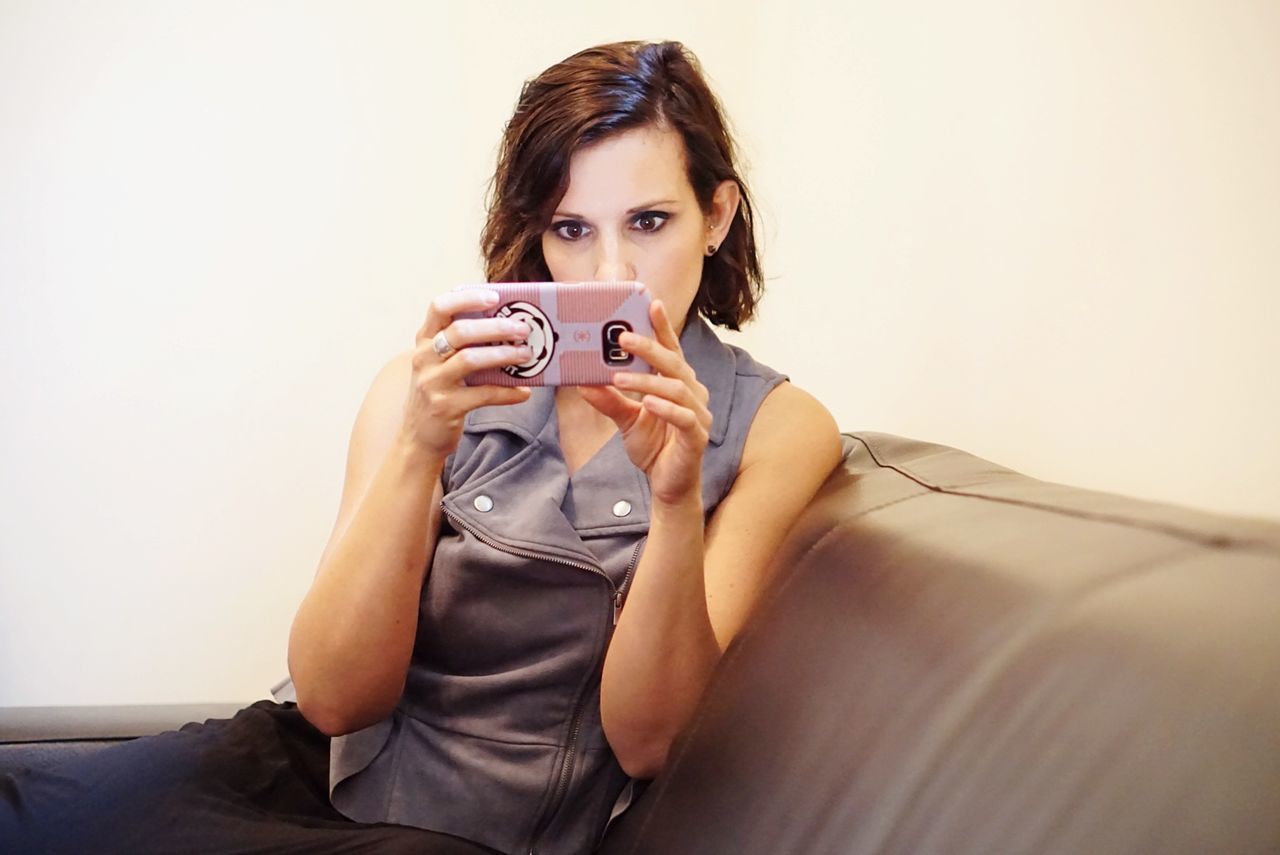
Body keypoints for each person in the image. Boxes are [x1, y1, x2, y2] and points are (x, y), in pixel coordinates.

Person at [0, 40, 840, 855]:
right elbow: (332, 699)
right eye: (571, 230)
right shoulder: (437, 382)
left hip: (473, 833)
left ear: (716, 216)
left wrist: (670, 500)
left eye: (648, 222)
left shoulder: (774, 425)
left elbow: (652, 741)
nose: (606, 274)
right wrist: (416, 448)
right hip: (312, 775)